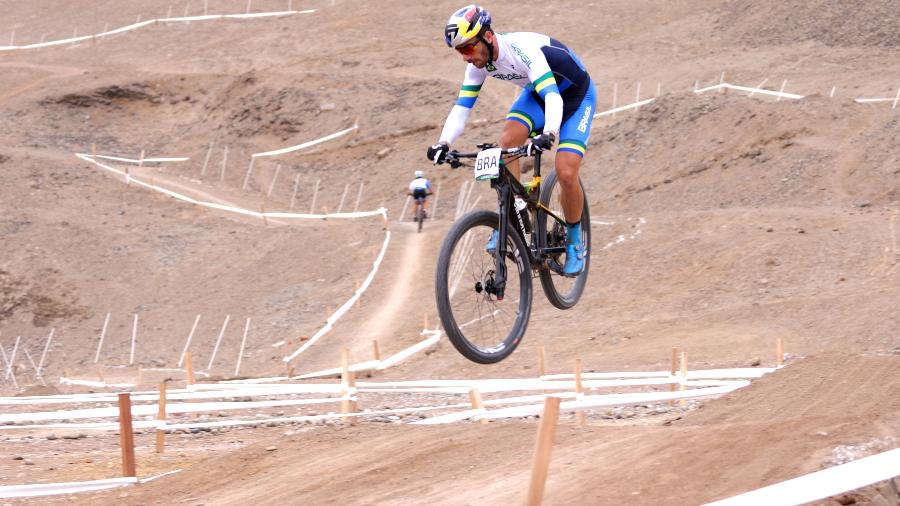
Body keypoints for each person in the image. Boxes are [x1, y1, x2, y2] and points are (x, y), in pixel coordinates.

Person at [426, 4, 595, 277]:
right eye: (460, 51)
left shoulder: (523, 50)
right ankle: (516, 219)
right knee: (506, 143)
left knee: (565, 171)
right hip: (537, 95)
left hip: (575, 97)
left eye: (467, 48)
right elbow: (462, 108)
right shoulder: (479, 65)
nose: (465, 58)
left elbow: (553, 95)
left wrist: (549, 133)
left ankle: (575, 240)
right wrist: (443, 143)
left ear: (488, 37)